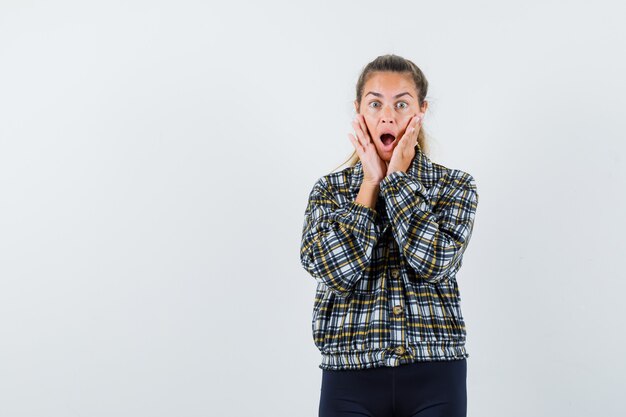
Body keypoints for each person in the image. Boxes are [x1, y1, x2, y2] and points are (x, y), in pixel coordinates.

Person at [299, 54, 479, 417]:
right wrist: (369, 184)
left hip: (435, 372)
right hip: (349, 374)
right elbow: (333, 271)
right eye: (375, 103)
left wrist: (395, 183)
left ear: (421, 110)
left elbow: (435, 263)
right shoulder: (330, 191)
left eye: (402, 104)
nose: (388, 116)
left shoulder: (455, 186)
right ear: (358, 110)